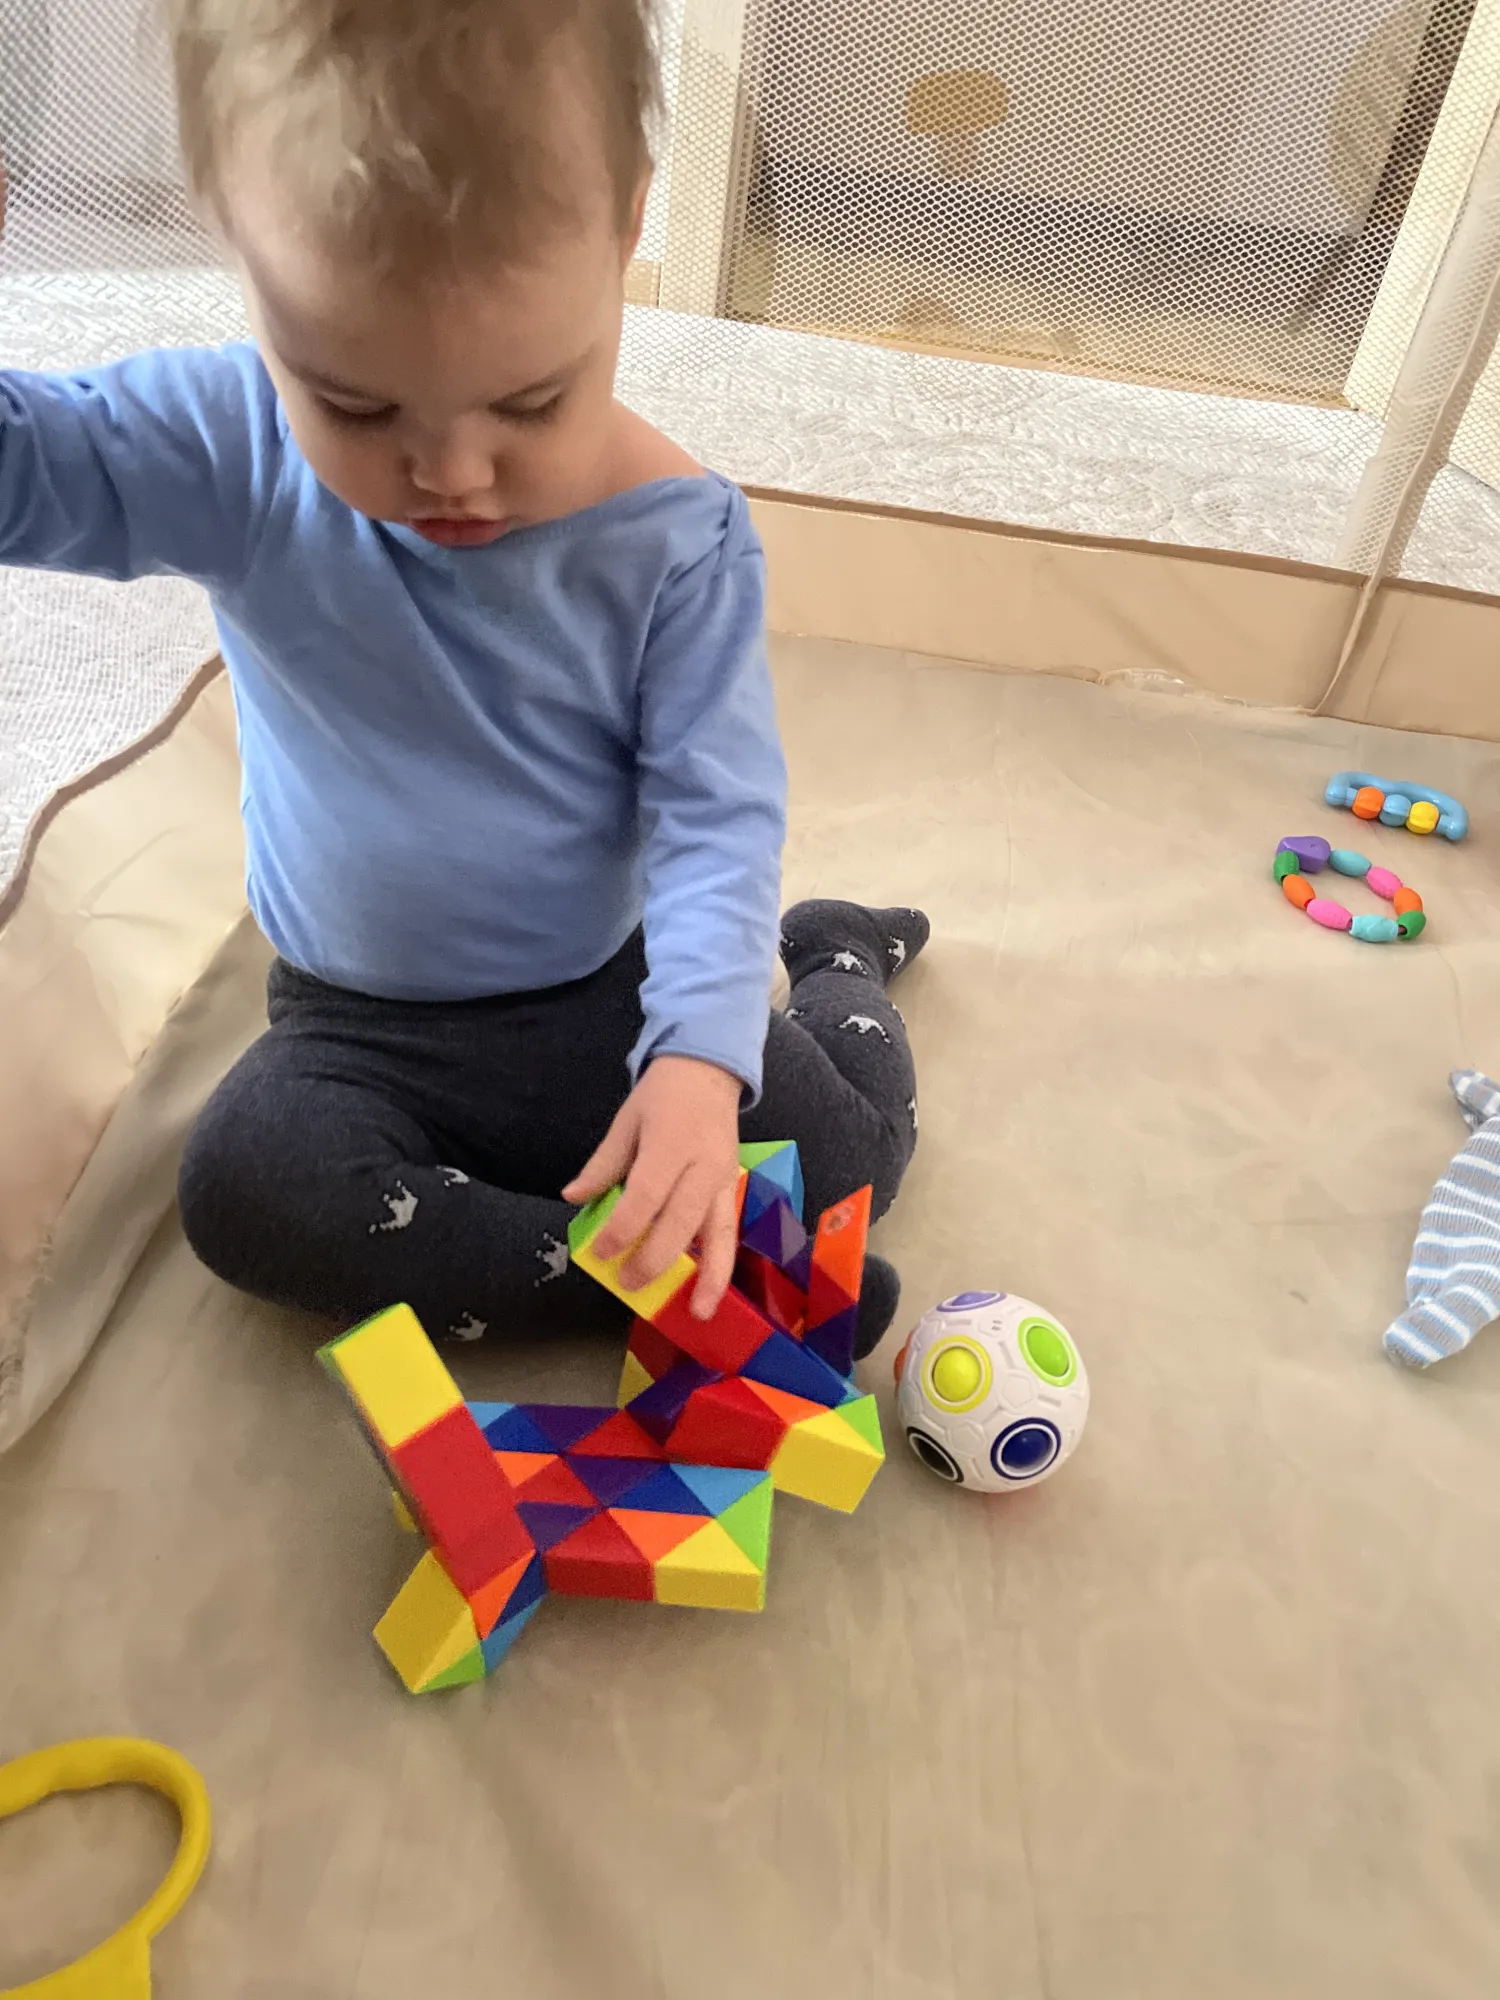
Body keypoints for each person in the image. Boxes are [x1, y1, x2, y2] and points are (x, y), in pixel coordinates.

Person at [0, 0, 925, 1357]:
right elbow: (30, 470)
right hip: (354, 1022)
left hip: (613, 990)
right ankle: (653, 1285)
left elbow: (713, 821)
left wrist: (695, 1061)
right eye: (357, 404)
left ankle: (835, 954)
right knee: (246, 1189)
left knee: (851, 1171)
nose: (453, 473)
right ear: (240, 254)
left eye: (531, 400)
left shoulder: (678, 541)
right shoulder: (231, 451)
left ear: (628, 224)